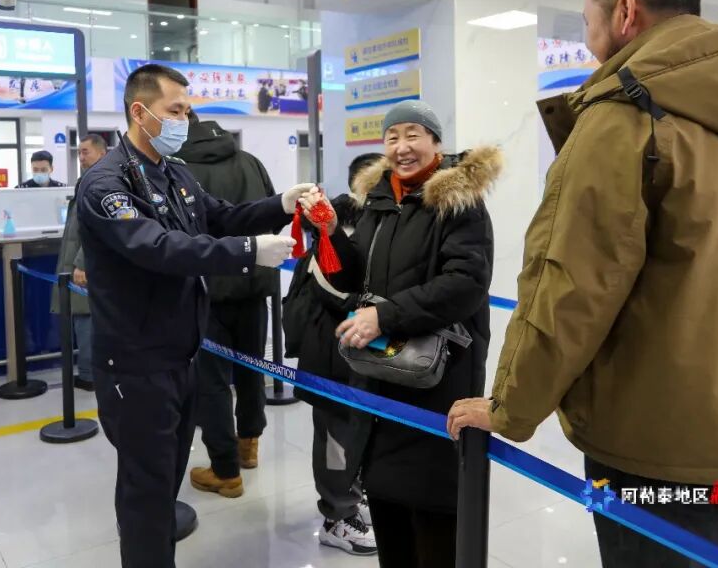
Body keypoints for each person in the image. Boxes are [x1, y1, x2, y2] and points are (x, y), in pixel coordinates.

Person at [447, 0, 718, 568]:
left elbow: (572, 284)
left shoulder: (625, 116)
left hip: (662, 444)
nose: (589, 38)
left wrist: (510, 408)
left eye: (588, 20)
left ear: (625, 12)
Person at [76, 63, 314, 568]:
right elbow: (159, 247)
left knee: (165, 479)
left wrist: (281, 204)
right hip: (136, 366)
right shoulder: (106, 184)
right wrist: (249, 252)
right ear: (140, 112)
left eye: (187, 110)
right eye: (175, 110)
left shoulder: (173, 172)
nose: (185, 120)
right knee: (146, 492)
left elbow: (222, 215)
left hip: (182, 355)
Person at [299, 100, 500, 568]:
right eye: (392, 137)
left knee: (432, 509)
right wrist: (331, 233)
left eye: (413, 134)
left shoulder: (460, 201)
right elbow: (354, 276)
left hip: (437, 375)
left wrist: (384, 317)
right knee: (387, 499)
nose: (402, 146)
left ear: (435, 142)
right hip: (381, 372)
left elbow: (465, 284)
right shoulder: (380, 200)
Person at [284, 152, 381, 556]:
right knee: (336, 441)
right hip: (331, 357)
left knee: (357, 434)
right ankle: (336, 517)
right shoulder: (337, 227)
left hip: (356, 355)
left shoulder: (377, 223)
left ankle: (351, 498)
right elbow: (340, 292)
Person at [175, 113, 276, 499]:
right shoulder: (250, 161)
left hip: (206, 290)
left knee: (212, 381)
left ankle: (225, 469)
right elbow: (271, 216)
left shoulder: (177, 171)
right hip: (254, 282)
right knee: (252, 368)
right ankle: (249, 446)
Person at [51, 134, 108, 391]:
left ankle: (89, 375)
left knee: (86, 318)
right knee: (83, 317)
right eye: (79, 152)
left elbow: (99, 227)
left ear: (102, 153)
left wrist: (82, 262)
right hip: (80, 262)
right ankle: (90, 371)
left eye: (86, 152)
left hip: (87, 266)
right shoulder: (88, 180)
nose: (81, 157)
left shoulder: (101, 182)